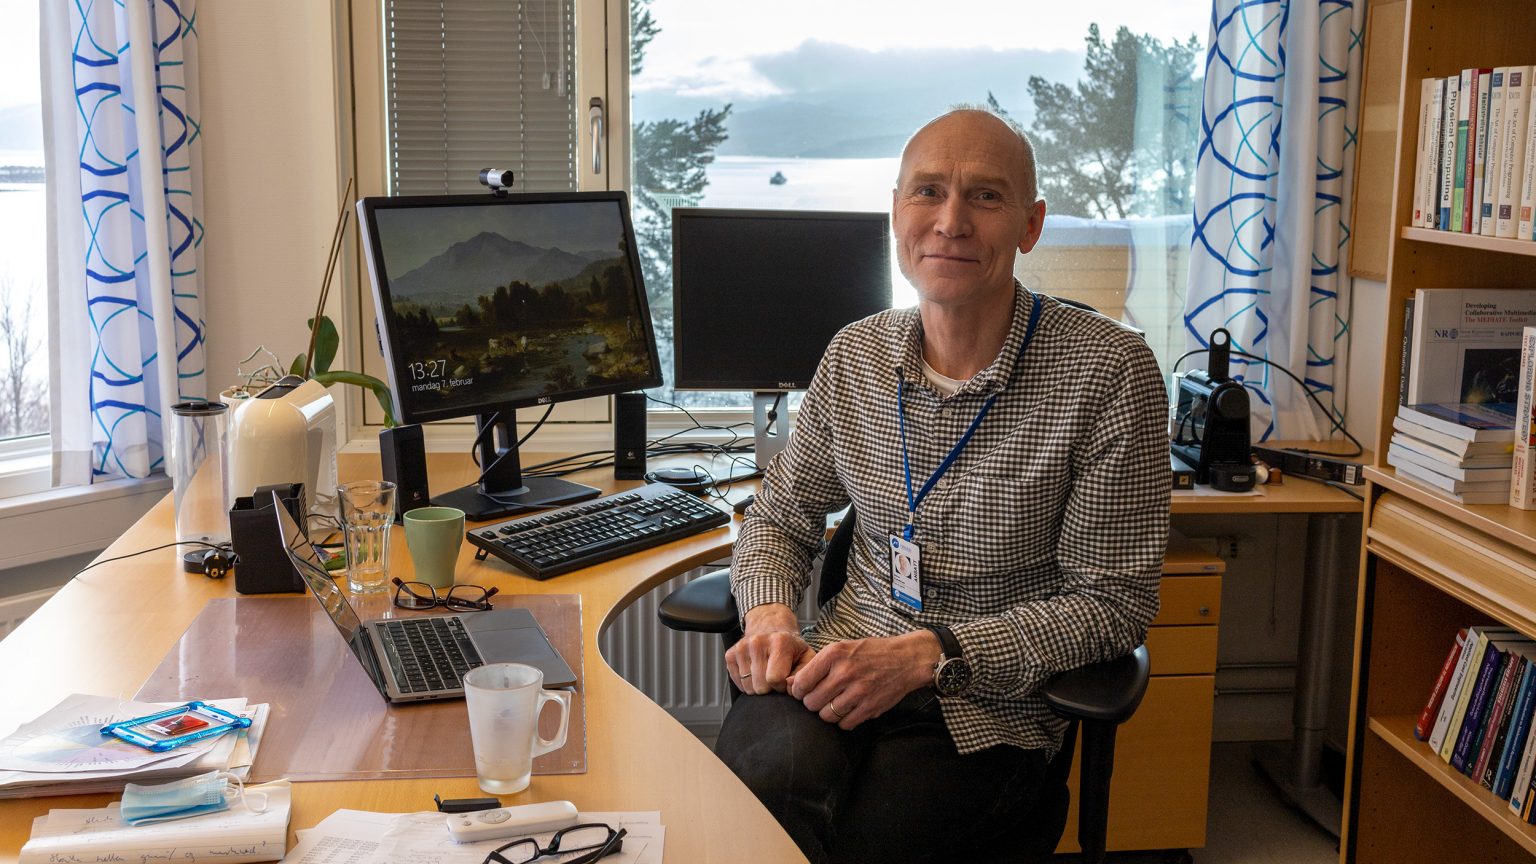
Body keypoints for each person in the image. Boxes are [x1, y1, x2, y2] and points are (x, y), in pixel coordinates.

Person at [714, 107, 1171, 863]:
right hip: (835, 663)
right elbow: (781, 518)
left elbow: (1112, 605)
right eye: (927, 191)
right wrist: (767, 613)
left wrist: (929, 654)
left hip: (992, 706)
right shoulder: (855, 356)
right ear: (897, 212)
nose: (951, 222)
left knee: (869, 842)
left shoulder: (1108, 373)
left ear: (1030, 225)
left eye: (985, 196)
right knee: (753, 803)